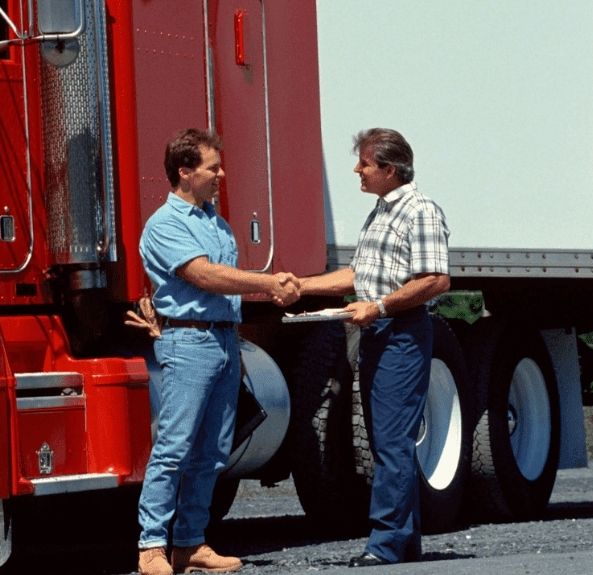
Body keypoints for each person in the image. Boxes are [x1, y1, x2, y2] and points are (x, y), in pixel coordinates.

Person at [135, 128, 300, 575]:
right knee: (174, 446)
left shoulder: (217, 224)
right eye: (213, 167)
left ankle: (190, 543)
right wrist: (269, 283)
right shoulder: (164, 225)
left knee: (213, 450)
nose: (221, 175)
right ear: (185, 172)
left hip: (223, 339)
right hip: (189, 342)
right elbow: (204, 276)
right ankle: (151, 544)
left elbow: (222, 284)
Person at [299, 128, 450, 567]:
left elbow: (435, 280)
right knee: (389, 440)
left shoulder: (419, 211)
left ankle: (385, 543)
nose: (357, 170)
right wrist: (302, 286)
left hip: (401, 333)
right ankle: (404, 540)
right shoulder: (382, 212)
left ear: (389, 168)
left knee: (391, 442)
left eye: (364, 163)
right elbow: (360, 274)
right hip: (380, 333)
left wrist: (380, 307)